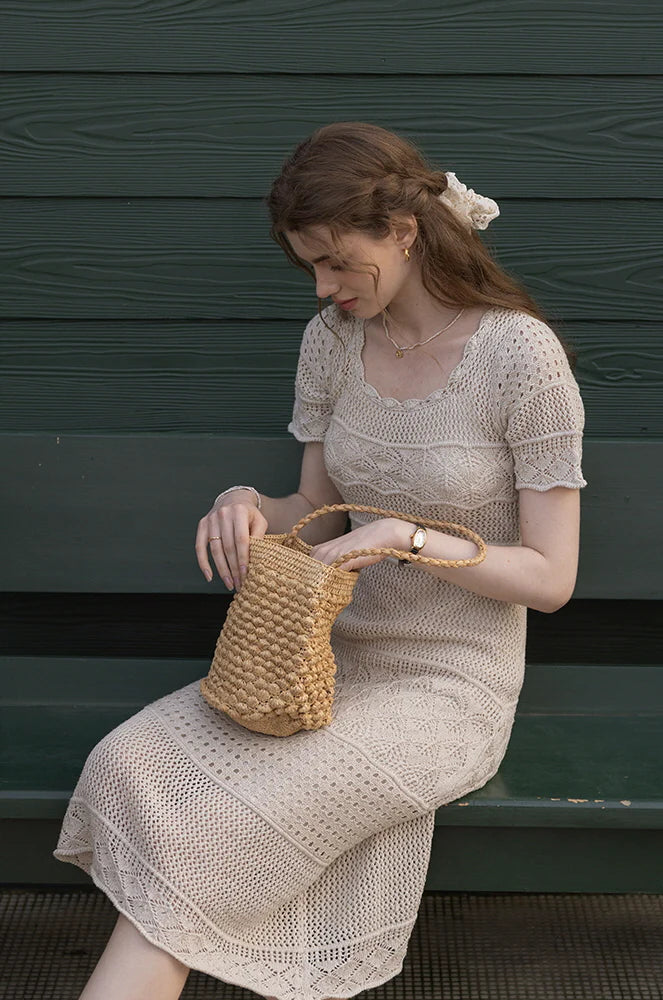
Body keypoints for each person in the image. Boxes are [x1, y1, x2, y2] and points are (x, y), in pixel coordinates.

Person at [53, 121, 587, 1000]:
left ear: (405, 234)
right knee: (131, 759)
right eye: (309, 266)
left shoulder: (517, 356)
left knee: (217, 826)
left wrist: (407, 541)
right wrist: (245, 508)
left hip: (448, 684)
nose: (324, 286)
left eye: (340, 263)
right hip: (312, 665)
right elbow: (309, 509)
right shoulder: (333, 342)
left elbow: (552, 579)